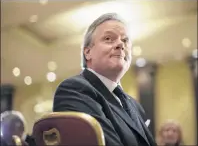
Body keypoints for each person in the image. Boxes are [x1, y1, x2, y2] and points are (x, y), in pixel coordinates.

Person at [53, 13, 157, 146]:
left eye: (125, 40)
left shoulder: (135, 106)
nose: (120, 44)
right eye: (108, 38)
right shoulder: (74, 90)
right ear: (87, 52)